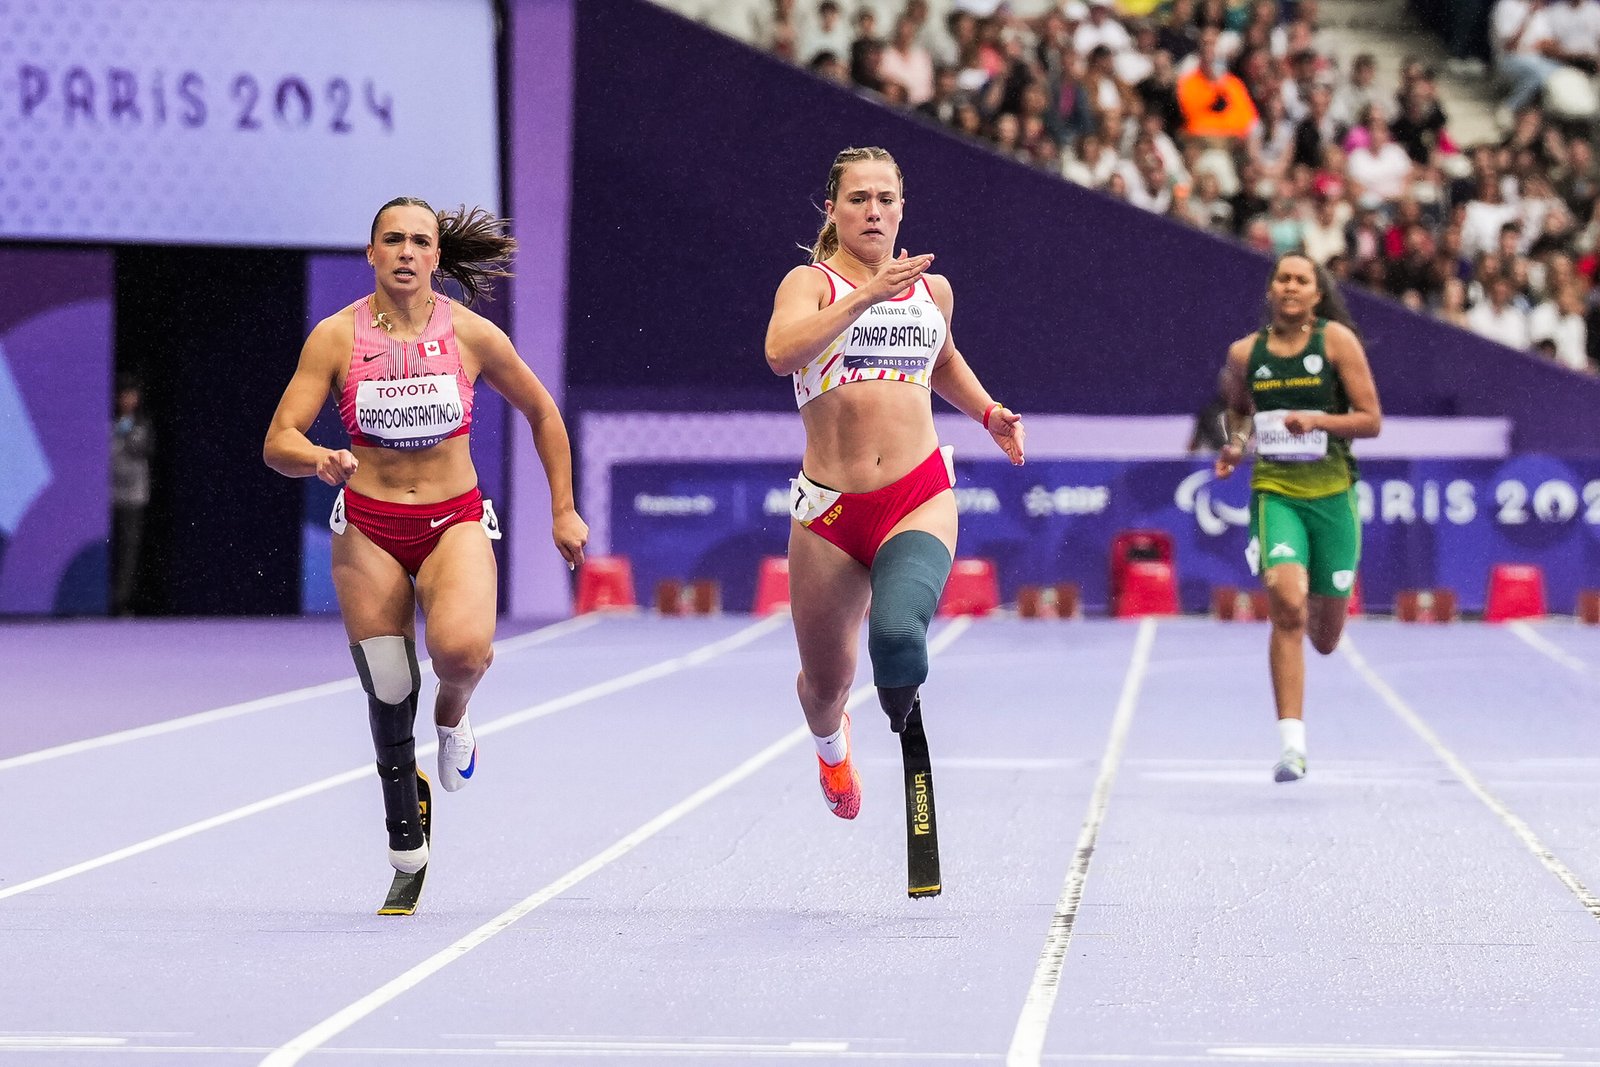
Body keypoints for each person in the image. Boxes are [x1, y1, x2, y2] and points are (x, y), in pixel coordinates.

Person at [263, 197, 588, 882]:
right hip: (370, 528)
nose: (406, 252)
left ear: (437, 257)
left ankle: (453, 717)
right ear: (372, 254)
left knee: (463, 653)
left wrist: (563, 509)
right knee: (386, 681)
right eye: (393, 240)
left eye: (419, 241)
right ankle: (401, 822)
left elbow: (541, 410)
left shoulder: (472, 334)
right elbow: (278, 441)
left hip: (454, 523)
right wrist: (317, 456)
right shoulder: (334, 337)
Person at [763, 146, 1024, 820]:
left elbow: (943, 358)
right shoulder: (811, 283)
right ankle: (831, 747)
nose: (873, 210)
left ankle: (903, 719)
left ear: (902, 207)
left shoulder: (931, 289)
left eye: (885, 198)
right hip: (829, 511)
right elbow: (780, 352)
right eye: (858, 199)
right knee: (826, 682)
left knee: (899, 636)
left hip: (918, 494)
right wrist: (865, 296)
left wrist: (990, 411)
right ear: (834, 210)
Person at [1213, 252, 1382, 783]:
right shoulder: (1245, 353)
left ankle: (1322, 598)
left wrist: (1318, 420)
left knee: (1326, 638)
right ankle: (1292, 746)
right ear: (1271, 290)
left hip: (1333, 495)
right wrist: (1234, 446)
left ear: (1316, 293)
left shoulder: (1336, 342)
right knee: (1286, 606)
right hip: (1275, 492)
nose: (1290, 286)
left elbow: (1371, 420)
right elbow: (1238, 413)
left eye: (1301, 280)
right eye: (1282, 278)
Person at [110, 376, 154, 616]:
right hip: (109, 497)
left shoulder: (142, 424)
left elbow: (145, 450)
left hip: (134, 497)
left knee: (129, 551)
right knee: (111, 551)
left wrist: (126, 434)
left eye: (132, 395)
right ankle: (104, 600)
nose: (128, 399)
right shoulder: (108, 422)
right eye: (124, 394)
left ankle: (123, 602)